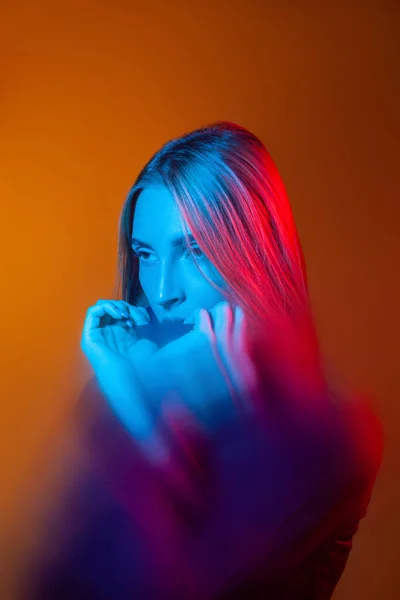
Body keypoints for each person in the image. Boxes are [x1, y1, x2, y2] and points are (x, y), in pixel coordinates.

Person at [23, 121, 383, 599]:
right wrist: (129, 402)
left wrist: (212, 423)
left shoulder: (329, 436)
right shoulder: (123, 393)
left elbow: (197, 582)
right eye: (145, 255)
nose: (163, 292)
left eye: (194, 250)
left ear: (255, 255)